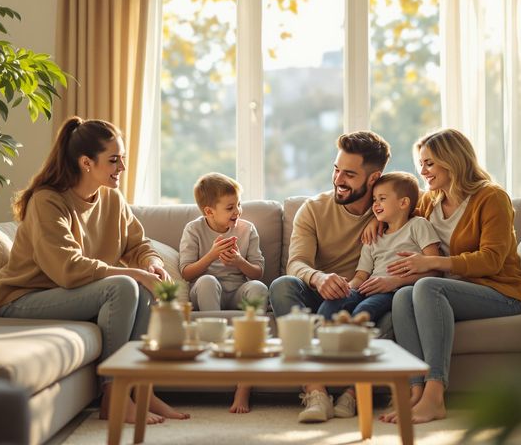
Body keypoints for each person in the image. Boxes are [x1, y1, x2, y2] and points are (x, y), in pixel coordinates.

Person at [0, 116, 188, 425]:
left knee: (143, 286)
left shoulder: (112, 199)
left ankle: (139, 389)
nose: (122, 167)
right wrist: (136, 274)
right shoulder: (47, 201)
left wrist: (152, 264)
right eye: (114, 160)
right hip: (24, 298)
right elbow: (68, 269)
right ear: (86, 163)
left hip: (69, 295)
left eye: (122, 158)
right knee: (125, 286)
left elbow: (138, 244)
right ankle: (113, 395)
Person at [379, 129, 521, 425]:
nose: (423, 171)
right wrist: (376, 222)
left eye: (429, 163)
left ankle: (435, 396)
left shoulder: (491, 197)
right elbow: (398, 215)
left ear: (452, 160)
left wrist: (433, 262)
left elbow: (492, 259)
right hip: (454, 290)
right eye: (421, 164)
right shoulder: (430, 201)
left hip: (500, 293)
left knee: (427, 287)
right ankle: (415, 390)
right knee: (403, 295)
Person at [268, 131, 391, 423]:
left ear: (373, 178)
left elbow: (420, 214)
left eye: (349, 174)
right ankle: (315, 391)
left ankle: (354, 392)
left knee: (395, 305)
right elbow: (296, 263)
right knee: (282, 286)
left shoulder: (391, 204)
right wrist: (319, 278)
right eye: (336, 169)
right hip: (320, 292)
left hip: (363, 296)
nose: (338, 179)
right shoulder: (314, 209)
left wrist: (383, 218)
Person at [179, 172, 267, 414]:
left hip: (237, 291)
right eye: (230, 207)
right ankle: (216, 353)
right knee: (207, 281)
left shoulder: (247, 229)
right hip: (207, 291)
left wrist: (239, 261)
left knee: (259, 289)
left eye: (238, 204)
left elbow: (258, 273)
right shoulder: (194, 229)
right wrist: (211, 255)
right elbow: (186, 272)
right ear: (209, 211)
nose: (237, 211)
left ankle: (244, 386)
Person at [317, 171, 441, 325]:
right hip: (368, 288)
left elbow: (435, 269)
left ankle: (353, 338)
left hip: (395, 291)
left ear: (403, 203)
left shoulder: (418, 225)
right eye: (374, 199)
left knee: (364, 310)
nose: (375, 204)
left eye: (382, 199)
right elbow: (361, 276)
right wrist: (347, 288)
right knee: (332, 304)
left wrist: (395, 281)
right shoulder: (373, 237)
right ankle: (321, 338)